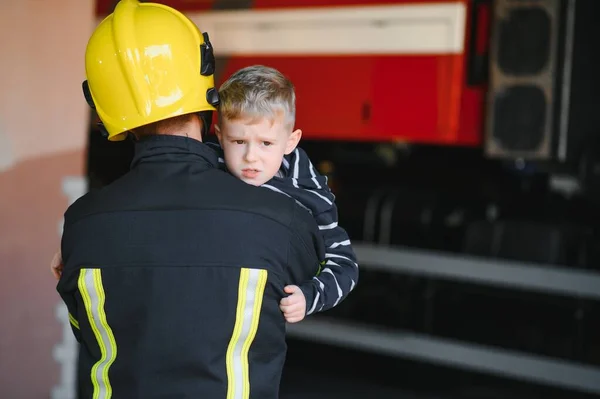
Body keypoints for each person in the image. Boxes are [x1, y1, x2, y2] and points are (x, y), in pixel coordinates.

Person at [54, 1, 323, 397]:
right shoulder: (278, 217)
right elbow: (315, 269)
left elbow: (86, 329)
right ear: (204, 74)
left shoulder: (81, 224)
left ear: (102, 102)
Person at [208, 65, 358, 323]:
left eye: (266, 143)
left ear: (291, 141)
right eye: (239, 142)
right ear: (221, 138)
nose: (250, 157)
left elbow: (345, 264)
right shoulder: (205, 171)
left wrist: (308, 297)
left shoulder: (311, 197)